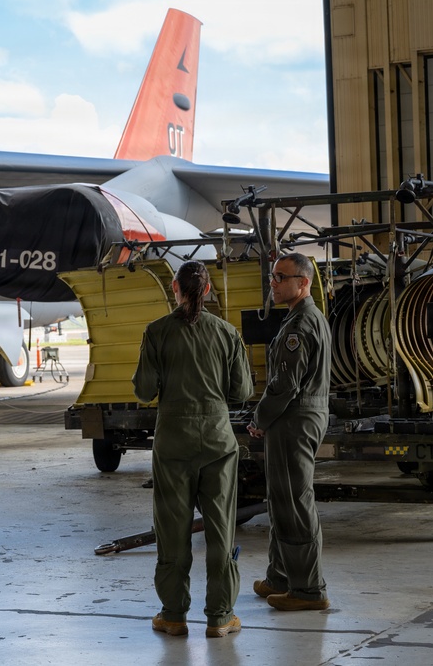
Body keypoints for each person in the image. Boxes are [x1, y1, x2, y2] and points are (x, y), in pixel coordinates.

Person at [133, 260, 254, 638]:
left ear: (175, 288)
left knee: (172, 530)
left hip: (172, 443)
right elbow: (242, 392)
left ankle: (173, 615)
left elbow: (143, 390)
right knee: (221, 530)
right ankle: (220, 616)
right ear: (205, 290)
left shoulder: (156, 333)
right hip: (218, 443)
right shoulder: (227, 333)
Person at [247, 252, 331, 611]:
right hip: (298, 416)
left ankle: (308, 590)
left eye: (281, 277)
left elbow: (284, 385)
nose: (274, 283)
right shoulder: (306, 318)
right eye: (273, 277)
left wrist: (260, 419)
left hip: (294, 418)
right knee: (281, 498)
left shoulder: (300, 326)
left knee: (295, 502)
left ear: (304, 282)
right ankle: (280, 577)